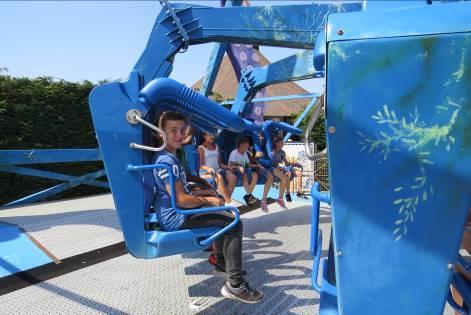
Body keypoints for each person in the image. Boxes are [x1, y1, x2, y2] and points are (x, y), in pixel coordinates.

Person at [152, 111, 263, 303]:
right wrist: (208, 201)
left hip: (179, 212)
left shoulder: (169, 157)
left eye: (182, 130)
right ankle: (235, 285)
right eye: (173, 131)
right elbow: (180, 199)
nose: (179, 135)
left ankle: (221, 262)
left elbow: (183, 192)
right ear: (160, 134)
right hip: (177, 217)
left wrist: (205, 194)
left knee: (225, 213)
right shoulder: (166, 161)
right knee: (234, 223)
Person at [198, 132, 238, 205]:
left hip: (217, 170)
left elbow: (220, 164)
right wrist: (209, 169)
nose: (212, 136)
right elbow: (201, 165)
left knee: (233, 177)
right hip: (205, 172)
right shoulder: (201, 148)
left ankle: (225, 201)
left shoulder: (216, 146)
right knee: (219, 177)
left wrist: (228, 167)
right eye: (210, 134)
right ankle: (229, 203)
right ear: (204, 136)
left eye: (213, 134)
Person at [228, 136, 261, 206]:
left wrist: (257, 165)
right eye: (246, 145)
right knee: (244, 174)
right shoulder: (234, 153)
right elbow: (230, 166)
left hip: (243, 170)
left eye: (248, 145)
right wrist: (239, 166)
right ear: (241, 145)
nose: (248, 147)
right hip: (235, 171)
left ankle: (248, 196)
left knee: (255, 174)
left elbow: (248, 164)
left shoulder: (245, 153)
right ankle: (249, 195)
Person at [271, 136, 303, 203]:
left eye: (283, 142)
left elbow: (287, 163)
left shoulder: (282, 152)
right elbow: (271, 163)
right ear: (276, 143)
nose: (283, 144)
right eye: (281, 142)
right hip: (276, 169)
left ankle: (299, 191)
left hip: (283, 168)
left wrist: (295, 164)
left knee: (299, 173)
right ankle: (287, 194)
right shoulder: (272, 151)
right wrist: (280, 167)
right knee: (288, 173)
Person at [247, 148, 274, 213]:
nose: (261, 137)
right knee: (255, 176)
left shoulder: (266, 145)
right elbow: (249, 161)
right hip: (254, 166)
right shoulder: (249, 148)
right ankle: (249, 196)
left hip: (260, 165)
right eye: (259, 137)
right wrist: (256, 157)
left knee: (270, 177)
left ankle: (263, 200)